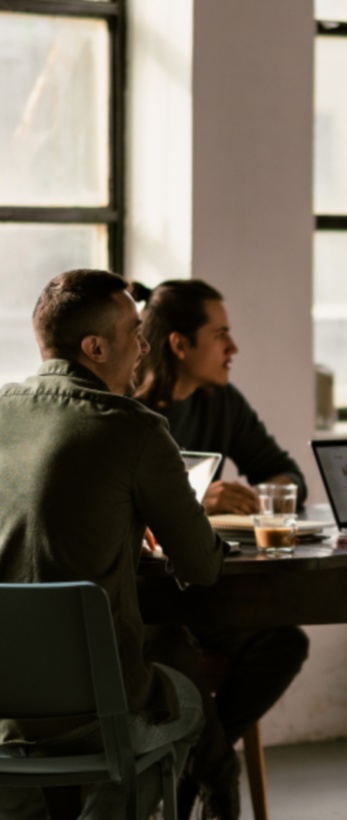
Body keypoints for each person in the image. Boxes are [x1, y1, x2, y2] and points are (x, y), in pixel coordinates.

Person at [0, 269, 227, 820]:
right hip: (95, 709)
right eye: (135, 332)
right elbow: (201, 566)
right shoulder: (134, 429)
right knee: (187, 703)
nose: (145, 347)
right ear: (95, 347)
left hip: (3, 706)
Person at [129, 279, 309, 820]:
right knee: (175, 646)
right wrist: (193, 498)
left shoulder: (220, 401)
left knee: (283, 644)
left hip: (202, 590)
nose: (234, 348)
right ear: (180, 345)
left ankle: (195, 763)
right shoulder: (124, 407)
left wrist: (265, 497)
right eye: (221, 335)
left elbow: (286, 474)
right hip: (142, 601)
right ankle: (213, 770)